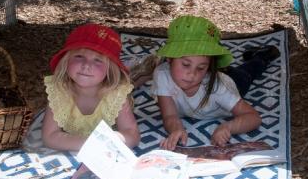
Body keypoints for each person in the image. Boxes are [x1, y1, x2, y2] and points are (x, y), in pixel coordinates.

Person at [153, 16, 262, 150]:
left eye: (201, 68)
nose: (192, 74)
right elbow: (169, 115)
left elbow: (254, 117)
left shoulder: (219, 87)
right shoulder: (162, 74)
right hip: (213, 77)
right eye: (186, 64)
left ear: (209, 66)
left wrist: (227, 127)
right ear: (169, 59)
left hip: (234, 81)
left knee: (248, 72)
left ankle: (262, 56)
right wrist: (176, 130)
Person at [42, 23, 140, 151]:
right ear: (66, 61)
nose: (86, 65)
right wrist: (94, 144)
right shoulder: (59, 92)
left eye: (98, 60)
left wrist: (117, 139)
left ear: (110, 69)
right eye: (79, 56)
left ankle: (142, 73)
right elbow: (49, 137)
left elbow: (132, 135)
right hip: (95, 145)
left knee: (135, 83)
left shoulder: (116, 94)